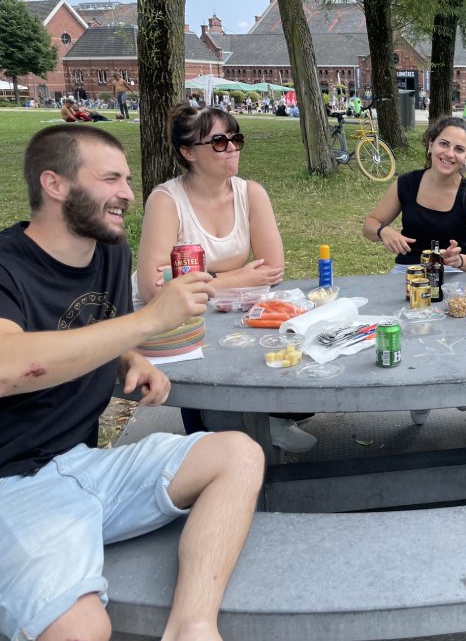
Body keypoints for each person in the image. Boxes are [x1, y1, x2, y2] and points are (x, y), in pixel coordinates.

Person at [0, 124, 263, 641]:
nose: (127, 193)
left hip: (85, 464)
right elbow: (9, 366)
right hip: (13, 482)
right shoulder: (6, 265)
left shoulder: (109, 252)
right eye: (110, 179)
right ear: (54, 184)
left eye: (127, 180)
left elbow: (83, 325)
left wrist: (129, 358)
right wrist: (148, 322)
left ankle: (192, 627)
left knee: (239, 453)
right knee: (81, 630)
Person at [135, 105, 312, 453]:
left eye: (235, 138)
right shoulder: (166, 200)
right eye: (218, 141)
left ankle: (267, 422)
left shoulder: (250, 193)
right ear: (189, 152)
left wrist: (206, 282)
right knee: (211, 410)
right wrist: (236, 278)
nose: (232, 148)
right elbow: (153, 288)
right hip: (174, 323)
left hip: (226, 311)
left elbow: (272, 268)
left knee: (288, 349)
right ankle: (211, 440)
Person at [363, 117, 466, 273]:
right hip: (407, 270)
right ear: (431, 145)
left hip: (453, 274)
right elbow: (369, 226)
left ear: (465, 157)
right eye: (444, 144)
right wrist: (382, 231)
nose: (450, 153)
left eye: (459, 149)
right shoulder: (406, 183)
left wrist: (460, 260)